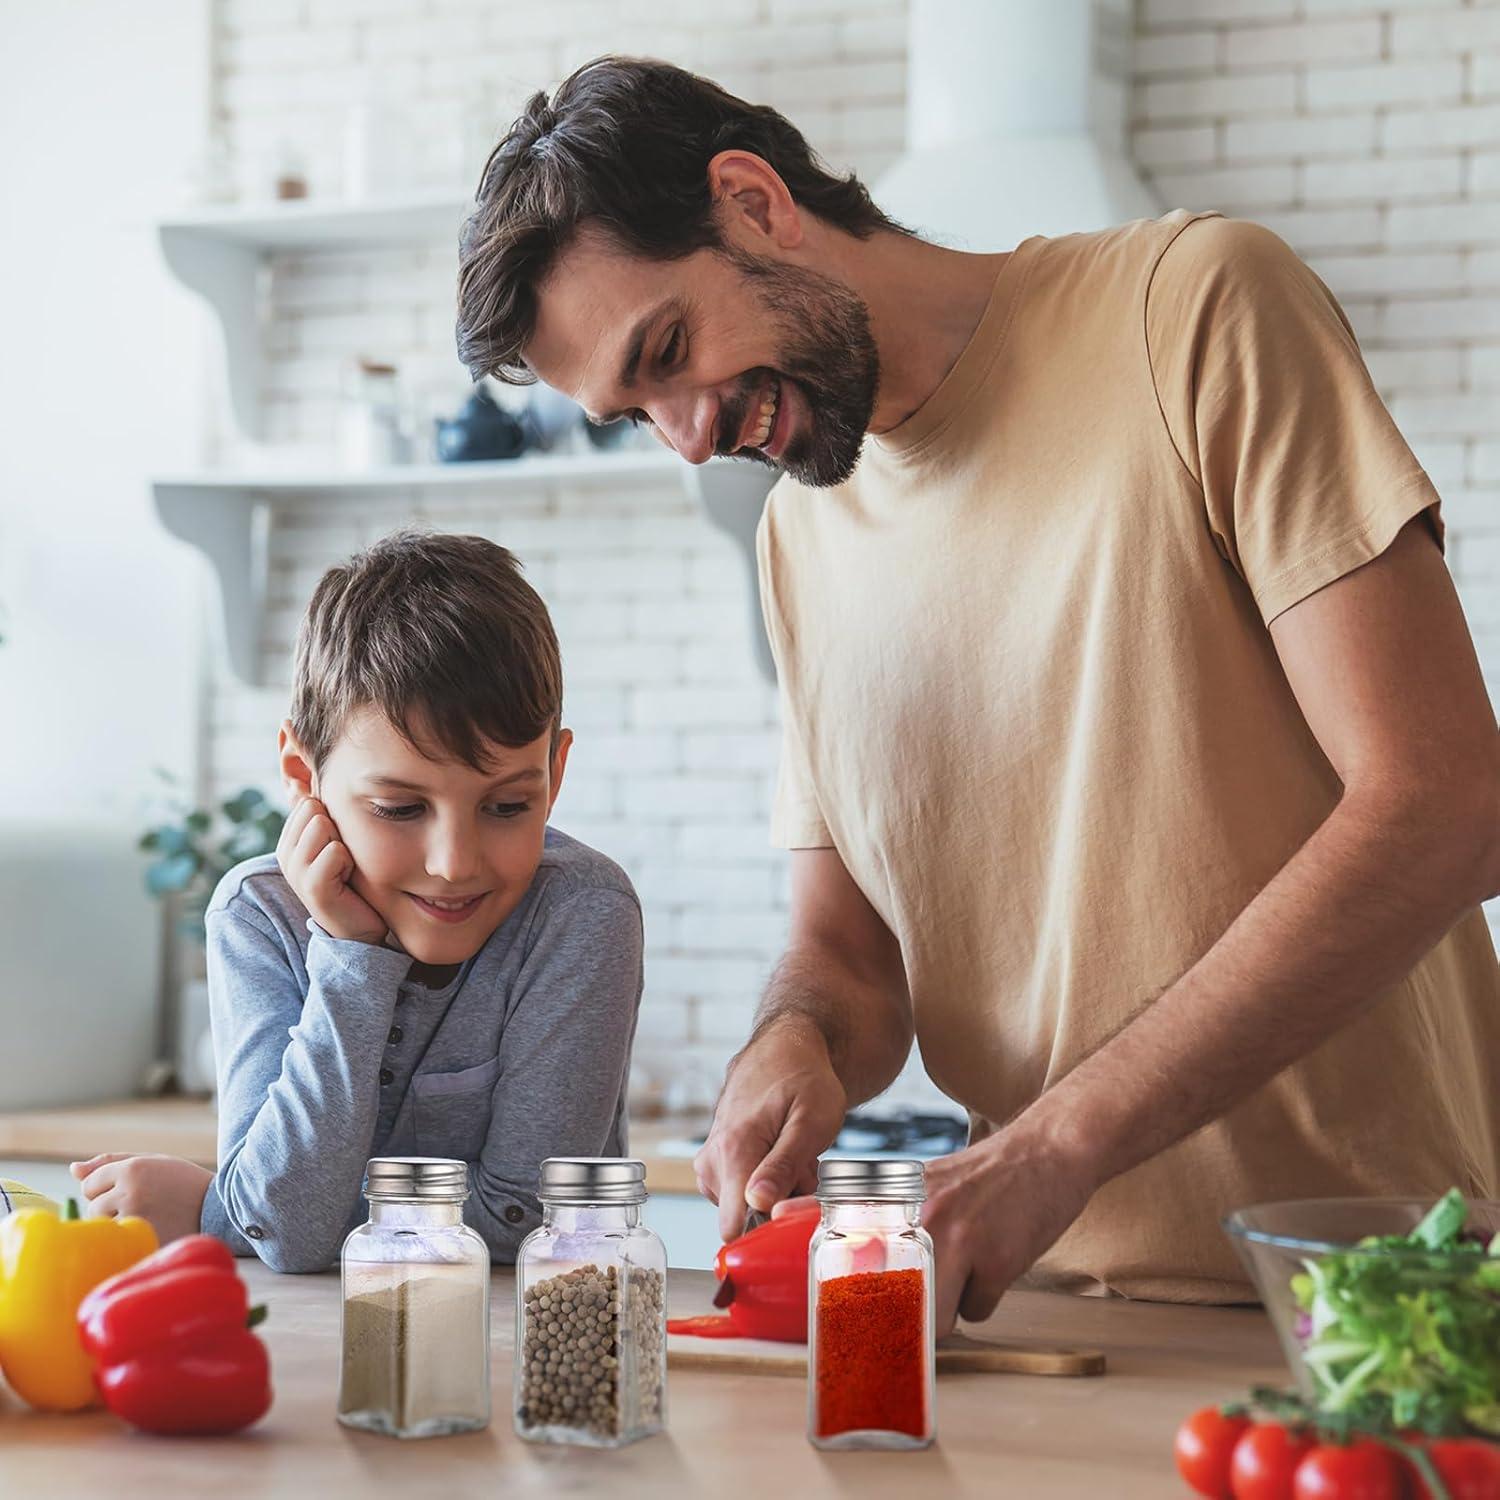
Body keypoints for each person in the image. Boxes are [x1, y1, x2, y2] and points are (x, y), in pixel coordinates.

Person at [455, 56, 1500, 1331]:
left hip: (1374, 1289)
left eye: (669, 351)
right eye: (636, 412)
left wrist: (1055, 1145)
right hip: (1029, 1311)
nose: (687, 433)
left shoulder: (1193, 310)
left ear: (753, 201)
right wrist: (797, 1041)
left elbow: (1449, 803)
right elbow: (847, 957)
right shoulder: (802, 539)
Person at [71, 530, 644, 1271]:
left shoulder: (581, 914)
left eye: (506, 807)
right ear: (302, 778)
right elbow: (285, 1229)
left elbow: (526, 1222)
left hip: (521, 1352)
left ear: (554, 775)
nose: (453, 864)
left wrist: (222, 1212)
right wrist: (350, 959)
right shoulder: (260, 918)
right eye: (400, 809)